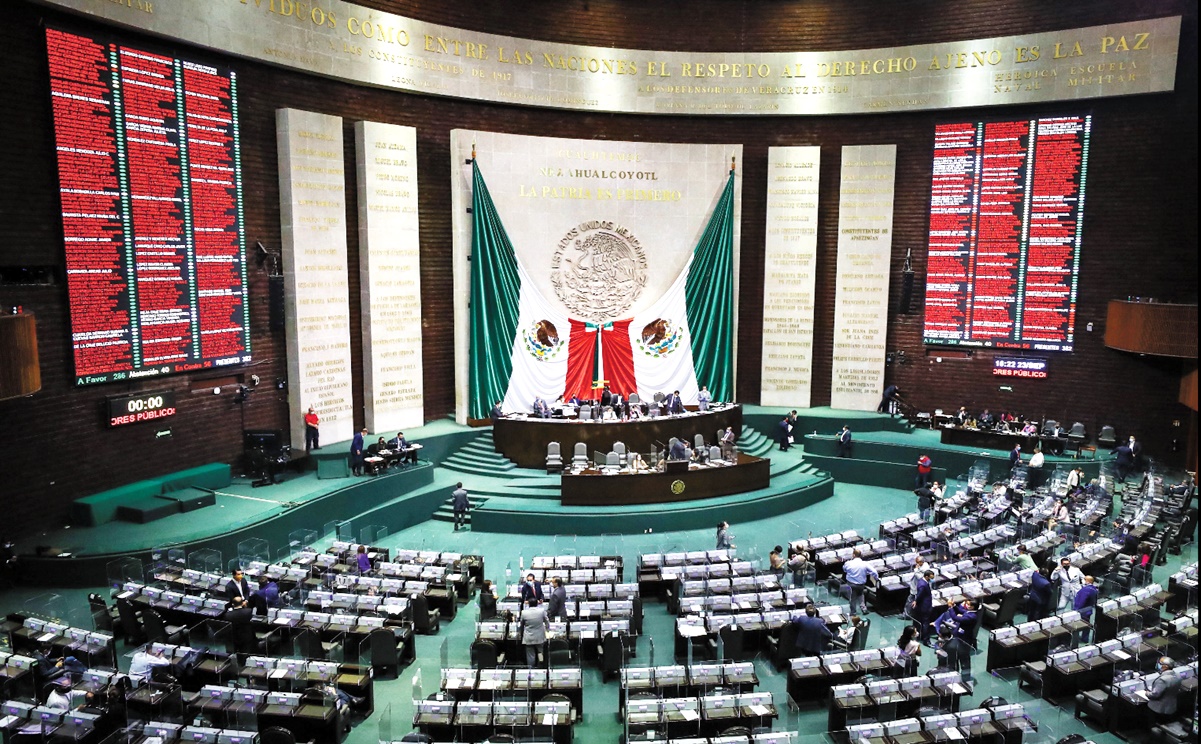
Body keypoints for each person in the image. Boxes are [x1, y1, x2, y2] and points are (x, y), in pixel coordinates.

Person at [1145, 656, 1182, 723]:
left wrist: (1147, 693)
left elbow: (1155, 694)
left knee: (1155, 726)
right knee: (1166, 723)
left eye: (1160, 663)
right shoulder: (1178, 675)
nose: (1158, 664)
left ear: (1165, 666)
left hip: (1159, 708)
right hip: (1171, 706)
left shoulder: (1163, 680)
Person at [843, 549, 878, 614]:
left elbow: (844, 569)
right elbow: (874, 572)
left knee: (852, 598)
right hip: (861, 585)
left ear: (853, 555)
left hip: (850, 585)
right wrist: (876, 579)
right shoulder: (865, 564)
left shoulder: (848, 563)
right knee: (861, 595)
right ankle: (864, 609)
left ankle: (853, 612)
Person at [520, 597, 548, 667]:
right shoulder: (541, 611)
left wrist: (521, 634)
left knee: (530, 656)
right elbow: (547, 621)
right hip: (540, 637)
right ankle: (541, 668)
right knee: (541, 654)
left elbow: (521, 625)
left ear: (528, 604)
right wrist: (548, 630)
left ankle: (531, 670)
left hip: (529, 637)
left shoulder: (524, 613)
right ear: (537, 604)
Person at [911, 569, 935, 643]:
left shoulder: (923, 581)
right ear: (927, 577)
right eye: (931, 578)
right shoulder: (922, 584)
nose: (932, 579)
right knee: (925, 623)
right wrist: (916, 601)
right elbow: (919, 594)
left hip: (924, 605)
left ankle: (921, 636)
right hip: (925, 607)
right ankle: (926, 639)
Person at [1073, 575, 1099, 642]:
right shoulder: (1094, 589)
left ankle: (1075, 640)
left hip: (1082, 611)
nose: (1083, 580)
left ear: (1087, 581)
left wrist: (1076, 610)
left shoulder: (1086, 590)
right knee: (1086, 625)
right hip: (1088, 610)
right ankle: (1085, 639)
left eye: (1084, 579)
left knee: (1078, 625)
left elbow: (1082, 601)